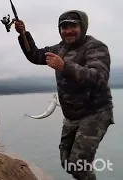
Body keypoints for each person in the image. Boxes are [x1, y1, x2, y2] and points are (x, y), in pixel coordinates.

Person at [14, 10, 114, 180]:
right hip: (71, 116)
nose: (68, 31)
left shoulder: (95, 47)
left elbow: (99, 77)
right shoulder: (59, 48)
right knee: (67, 162)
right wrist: (24, 34)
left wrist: (65, 66)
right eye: (64, 27)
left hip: (96, 113)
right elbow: (35, 55)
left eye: (73, 26)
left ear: (82, 26)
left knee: (79, 164)